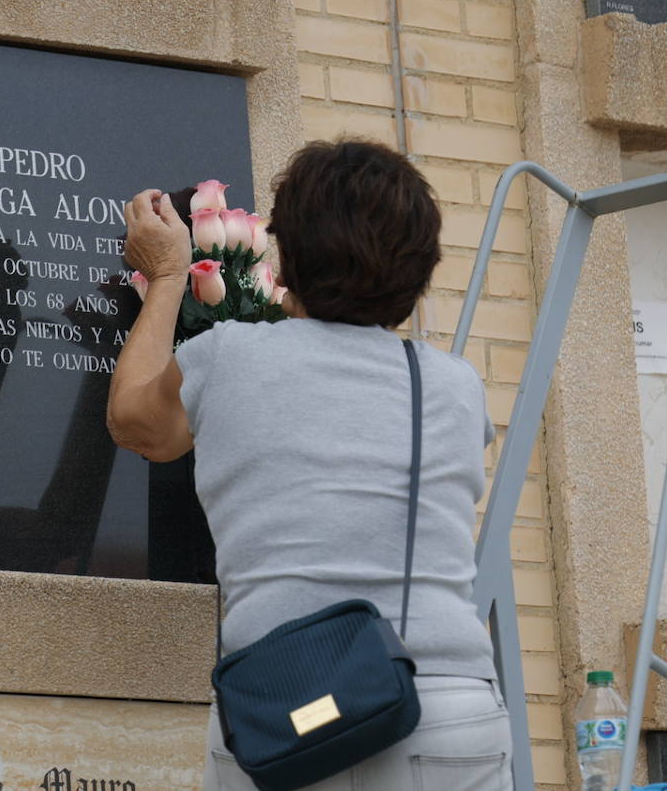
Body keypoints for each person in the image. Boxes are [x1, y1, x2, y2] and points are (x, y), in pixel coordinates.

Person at [107, 139, 511, 791]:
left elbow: (135, 421)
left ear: (289, 248)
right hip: (446, 712)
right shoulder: (457, 387)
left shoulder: (229, 358)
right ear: (419, 268)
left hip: (289, 710)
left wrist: (167, 277)